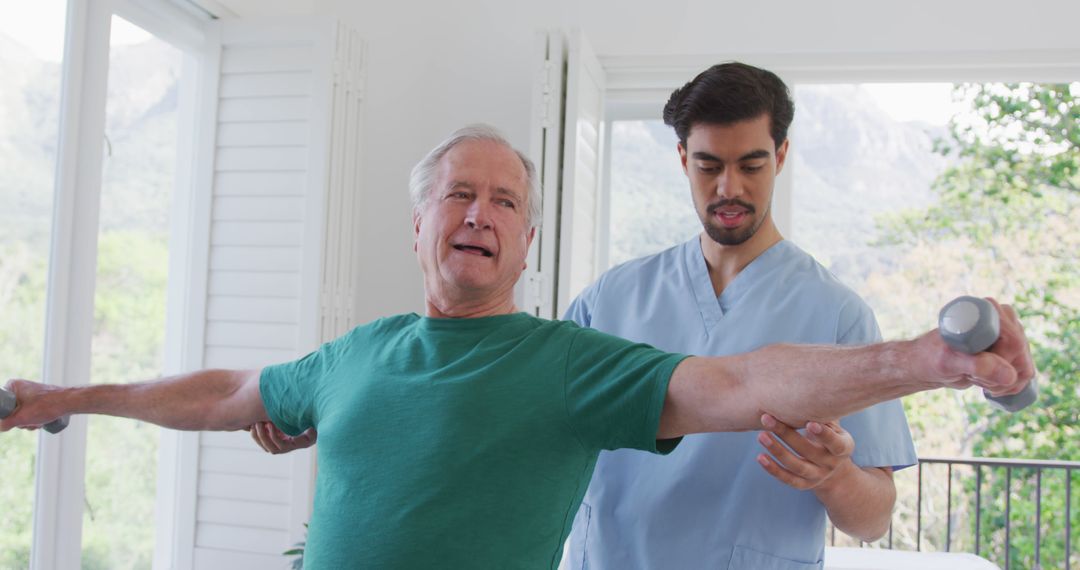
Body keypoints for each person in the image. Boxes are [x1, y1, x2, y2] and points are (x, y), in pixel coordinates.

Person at [1, 125, 1034, 569]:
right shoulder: (355, 354)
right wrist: (70, 396)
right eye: (461, 191)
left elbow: (739, 379)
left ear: (527, 243)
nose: (481, 212)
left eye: (507, 201)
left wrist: (927, 357)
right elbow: (227, 390)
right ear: (418, 225)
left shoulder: (569, 360)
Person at [558, 62, 915, 570]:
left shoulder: (838, 315)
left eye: (751, 166)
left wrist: (835, 476)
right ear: (683, 159)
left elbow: (874, 519)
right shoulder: (610, 298)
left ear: (781, 156)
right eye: (709, 166)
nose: (729, 189)